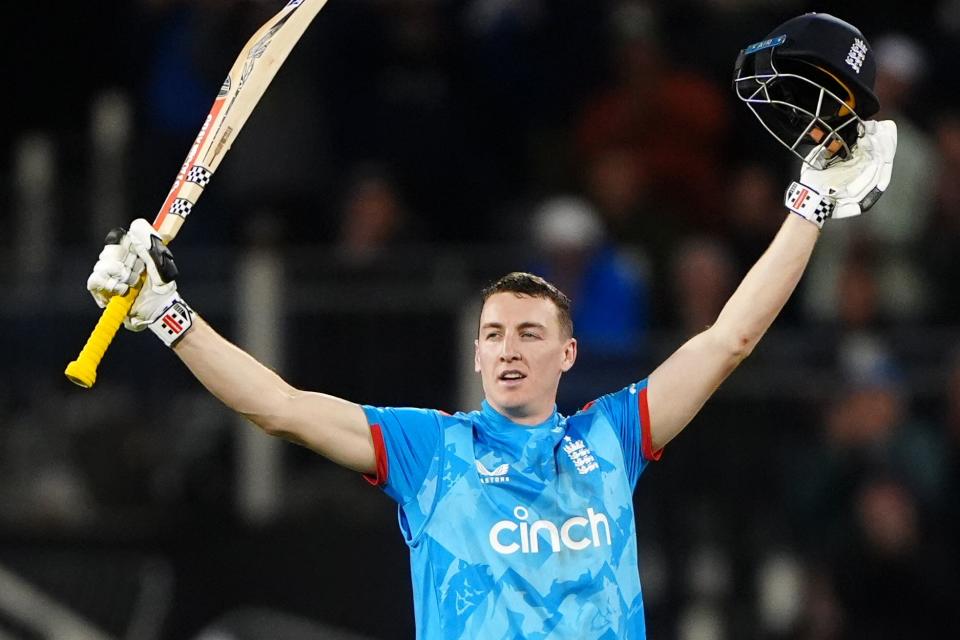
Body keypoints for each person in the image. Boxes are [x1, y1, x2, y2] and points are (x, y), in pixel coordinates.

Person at [84, 13, 897, 640]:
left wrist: (811, 202)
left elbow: (730, 338)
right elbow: (281, 406)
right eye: (496, 334)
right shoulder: (429, 451)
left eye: (530, 333)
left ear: (568, 354)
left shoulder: (613, 436)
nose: (510, 348)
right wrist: (168, 314)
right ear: (474, 355)